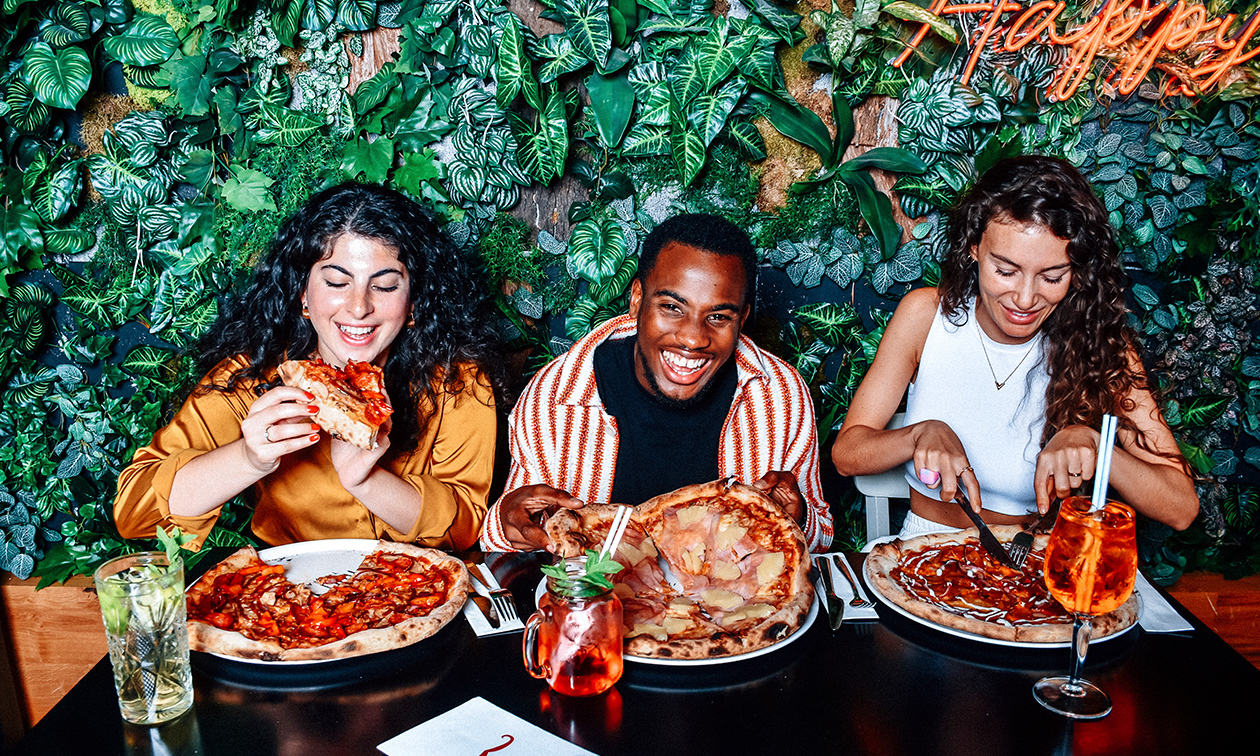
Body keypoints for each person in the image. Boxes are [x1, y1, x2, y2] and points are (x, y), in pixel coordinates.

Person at [114, 182, 505, 550]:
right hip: (290, 594)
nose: (358, 307)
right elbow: (133, 511)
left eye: (385, 286)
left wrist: (366, 481)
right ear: (303, 294)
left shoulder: (459, 381)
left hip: (421, 589)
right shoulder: (254, 376)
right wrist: (249, 457)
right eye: (336, 282)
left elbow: (465, 529)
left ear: (414, 303)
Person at [831, 156, 1198, 537]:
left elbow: (1181, 508)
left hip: (1032, 559)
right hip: (923, 545)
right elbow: (847, 455)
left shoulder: (1101, 342)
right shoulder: (926, 315)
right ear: (974, 247)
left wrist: (1094, 445)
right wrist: (917, 433)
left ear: (1077, 268)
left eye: (1052, 277)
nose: (1025, 298)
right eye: (1005, 271)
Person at [480, 213, 833, 552]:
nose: (693, 338)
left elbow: (820, 534)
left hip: (731, 609)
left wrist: (798, 519)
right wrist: (507, 524)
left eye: (718, 316)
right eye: (671, 307)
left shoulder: (780, 395)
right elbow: (506, 539)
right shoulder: (554, 397)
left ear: (742, 319)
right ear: (637, 300)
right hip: (602, 608)